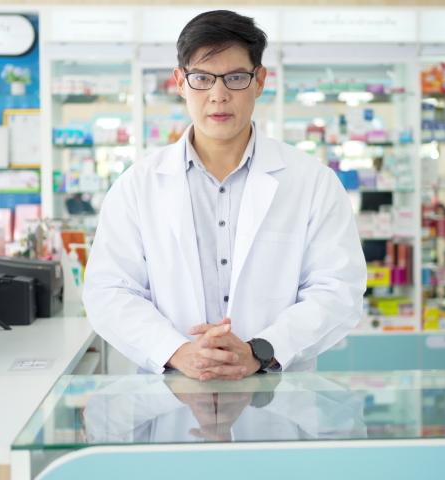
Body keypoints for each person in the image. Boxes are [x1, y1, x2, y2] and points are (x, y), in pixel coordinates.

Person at [82, 10, 366, 382]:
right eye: (202, 78)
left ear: (259, 80)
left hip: (276, 388)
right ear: (180, 83)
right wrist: (177, 352)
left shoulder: (313, 182)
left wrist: (259, 351)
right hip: (172, 388)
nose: (218, 95)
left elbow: (337, 289)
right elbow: (109, 290)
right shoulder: (137, 185)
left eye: (235, 78)